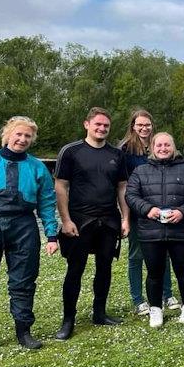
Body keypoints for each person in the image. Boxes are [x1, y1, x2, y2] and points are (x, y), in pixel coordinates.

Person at [54, 107, 130, 341]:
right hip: (79, 220)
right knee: (75, 270)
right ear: (86, 124)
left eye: (106, 125)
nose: (102, 128)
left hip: (108, 220)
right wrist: (65, 220)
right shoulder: (71, 151)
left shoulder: (116, 155)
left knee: (104, 268)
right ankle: (68, 320)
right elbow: (60, 186)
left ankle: (99, 312)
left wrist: (125, 217)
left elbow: (122, 188)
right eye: (97, 124)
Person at [0, 116, 58, 349]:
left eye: (27, 136)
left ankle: (24, 331)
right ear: (8, 135)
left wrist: (51, 235)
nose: (22, 139)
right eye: (18, 134)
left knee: (24, 280)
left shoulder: (37, 167)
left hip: (23, 227)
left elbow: (47, 202)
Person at [126, 133, 184, 328]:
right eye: (159, 145)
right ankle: (155, 309)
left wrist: (182, 211)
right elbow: (131, 195)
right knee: (154, 273)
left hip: (180, 230)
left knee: (183, 270)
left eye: (167, 145)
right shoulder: (140, 171)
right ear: (152, 148)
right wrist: (148, 209)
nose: (163, 148)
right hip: (151, 232)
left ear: (173, 147)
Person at [119, 109, 176, 315]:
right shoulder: (125, 150)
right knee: (136, 255)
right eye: (140, 124)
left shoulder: (159, 145)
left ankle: (166, 293)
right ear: (133, 126)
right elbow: (122, 185)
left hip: (161, 208)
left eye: (147, 124)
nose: (144, 128)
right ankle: (138, 298)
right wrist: (125, 215)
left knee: (164, 252)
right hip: (137, 209)